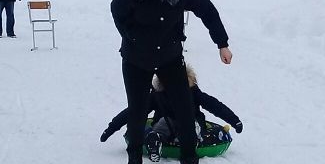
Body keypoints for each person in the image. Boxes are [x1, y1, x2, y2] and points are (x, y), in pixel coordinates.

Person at [110, 0, 233, 164]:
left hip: (169, 58)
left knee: (186, 112)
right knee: (138, 110)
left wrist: (222, 43)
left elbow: (207, 10)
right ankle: (134, 162)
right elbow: (117, 14)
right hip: (136, 59)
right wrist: (132, 37)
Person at [101, 63, 243, 156]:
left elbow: (215, 106)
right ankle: (155, 139)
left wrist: (234, 120)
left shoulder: (193, 93)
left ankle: (186, 137)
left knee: (188, 124)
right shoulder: (157, 96)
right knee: (164, 124)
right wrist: (112, 127)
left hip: (189, 122)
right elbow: (134, 111)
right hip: (167, 123)